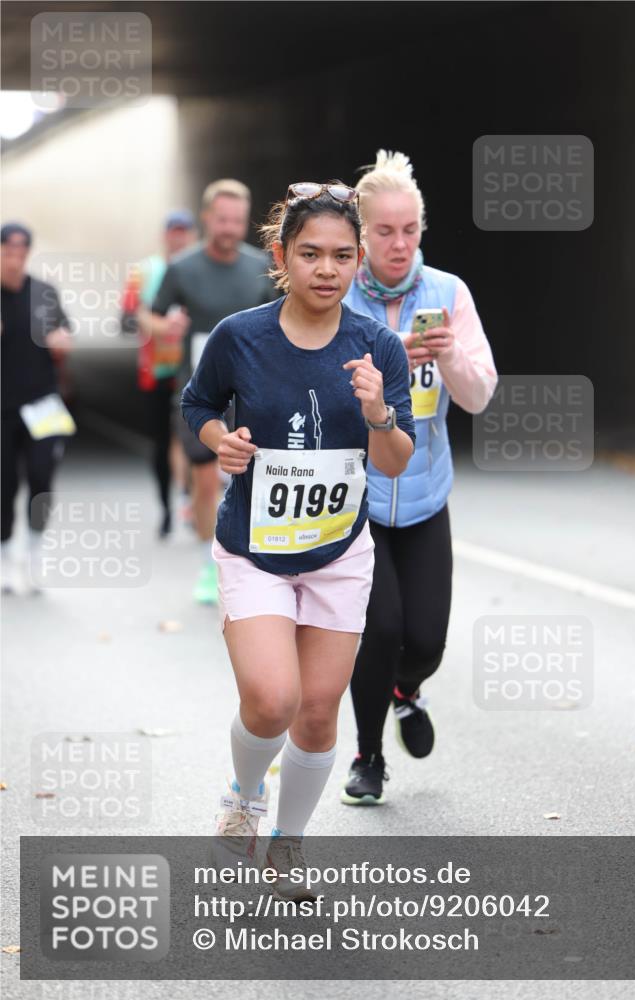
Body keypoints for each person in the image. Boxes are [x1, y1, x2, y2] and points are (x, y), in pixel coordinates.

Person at [181, 181, 414, 892]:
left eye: (343, 256)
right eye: (310, 253)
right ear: (281, 255)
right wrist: (222, 440)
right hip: (255, 549)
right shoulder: (239, 336)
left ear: (360, 263)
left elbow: (395, 460)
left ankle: (288, 845)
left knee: (317, 713)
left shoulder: (377, 347)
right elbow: (197, 405)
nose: (326, 269)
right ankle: (244, 797)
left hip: (338, 554)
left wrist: (378, 410)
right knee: (272, 698)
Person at [341, 151, 498, 805]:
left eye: (409, 231)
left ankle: (408, 688)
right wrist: (385, 363)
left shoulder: (448, 293)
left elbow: (479, 395)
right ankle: (369, 757)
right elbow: (310, 394)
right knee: (378, 630)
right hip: (358, 499)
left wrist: (450, 355)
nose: (398, 244)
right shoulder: (336, 294)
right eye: (384, 231)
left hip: (426, 495)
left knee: (426, 639)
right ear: (360, 235)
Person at [152, 180, 275, 602]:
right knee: (206, 482)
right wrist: (165, 327)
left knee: (252, 478)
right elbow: (148, 316)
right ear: (207, 218)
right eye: (222, 219)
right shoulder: (182, 268)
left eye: (238, 220)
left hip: (252, 392)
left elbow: (284, 317)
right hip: (200, 395)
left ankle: (256, 557)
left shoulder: (260, 266)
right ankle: (210, 562)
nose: (229, 228)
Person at [1, 222, 74, 593]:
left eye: (21, 252)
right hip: (2, 408)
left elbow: (65, 332)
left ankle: (33, 552)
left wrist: (62, 340)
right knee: (3, 485)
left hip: (42, 403)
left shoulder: (43, 293)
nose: (14, 260)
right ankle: (4, 557)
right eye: (7, 251)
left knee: (42, 478)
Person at [121, 209, 197, 538]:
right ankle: (166, 507)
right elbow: (124, 321)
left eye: (184, 232)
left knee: (191, 439)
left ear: (193, 235)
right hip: (155, 371)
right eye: (174, 232)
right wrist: (153, 322)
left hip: (194, 368)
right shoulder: (144, 271)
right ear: (165, 235)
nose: (178, 237)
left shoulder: (201, 268)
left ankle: (189, 501)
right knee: (161, 442)